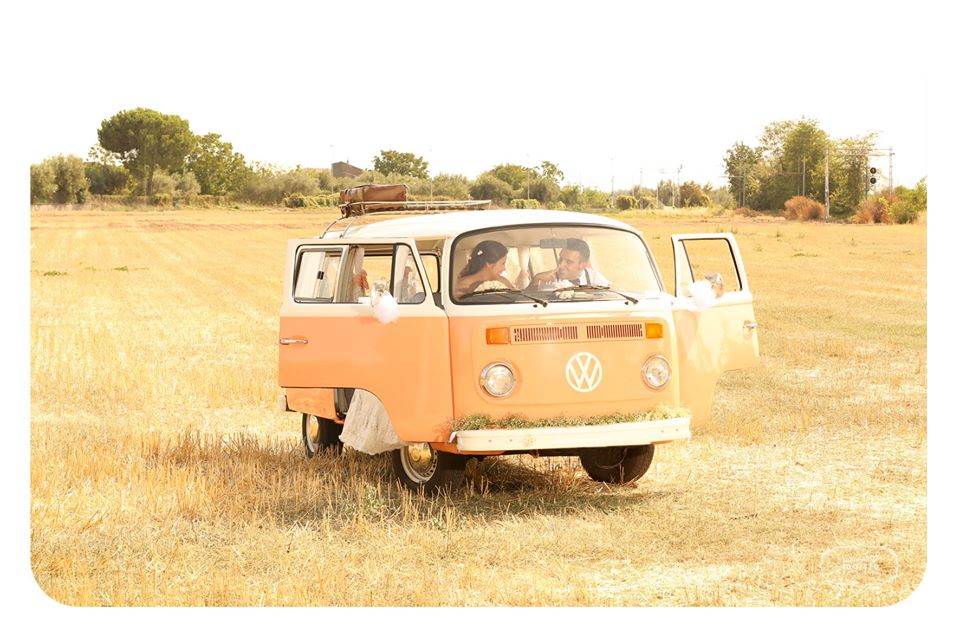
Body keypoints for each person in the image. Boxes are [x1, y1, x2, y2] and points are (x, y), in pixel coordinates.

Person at [529, 238, 609, 290]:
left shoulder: (595, 278)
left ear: (583, 265)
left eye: (568, 262)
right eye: (560, 259)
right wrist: (533, 284)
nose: (560, 265)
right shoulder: (545, 280)